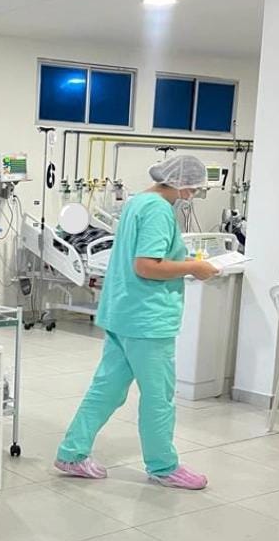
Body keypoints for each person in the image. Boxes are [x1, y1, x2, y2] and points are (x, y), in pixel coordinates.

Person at [54, 155, 219, 490]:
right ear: (185, 186)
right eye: (195, 188)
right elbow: (146, 265)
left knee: (107, 389)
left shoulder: (137, 202)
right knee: (158, 396)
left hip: (122, 312)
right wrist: (193, 267)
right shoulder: (159, 209)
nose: (194, 194)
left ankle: (72, 453)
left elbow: (143, 256)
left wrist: (182, 260)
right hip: (147, 320)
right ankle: (163, 466)